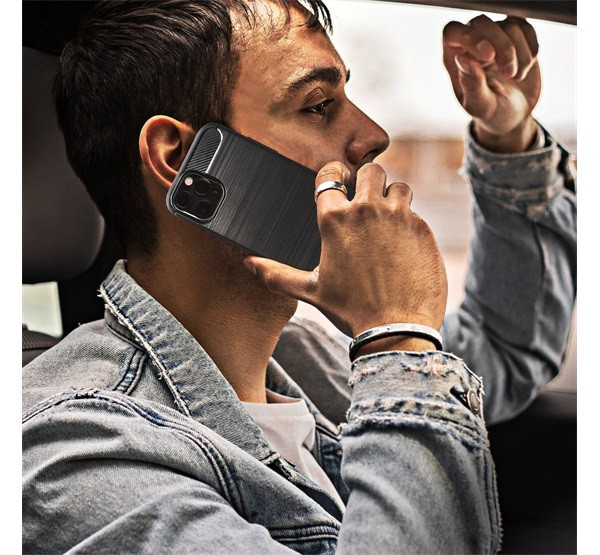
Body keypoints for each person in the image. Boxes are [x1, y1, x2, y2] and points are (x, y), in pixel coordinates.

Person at [22, 0, 576, 553]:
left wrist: (509, 140)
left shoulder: (301, 356)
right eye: (317, 106)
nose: (374, 135)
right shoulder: (77, 454)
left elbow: (501, 350)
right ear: (179, 158)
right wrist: (395, 335)